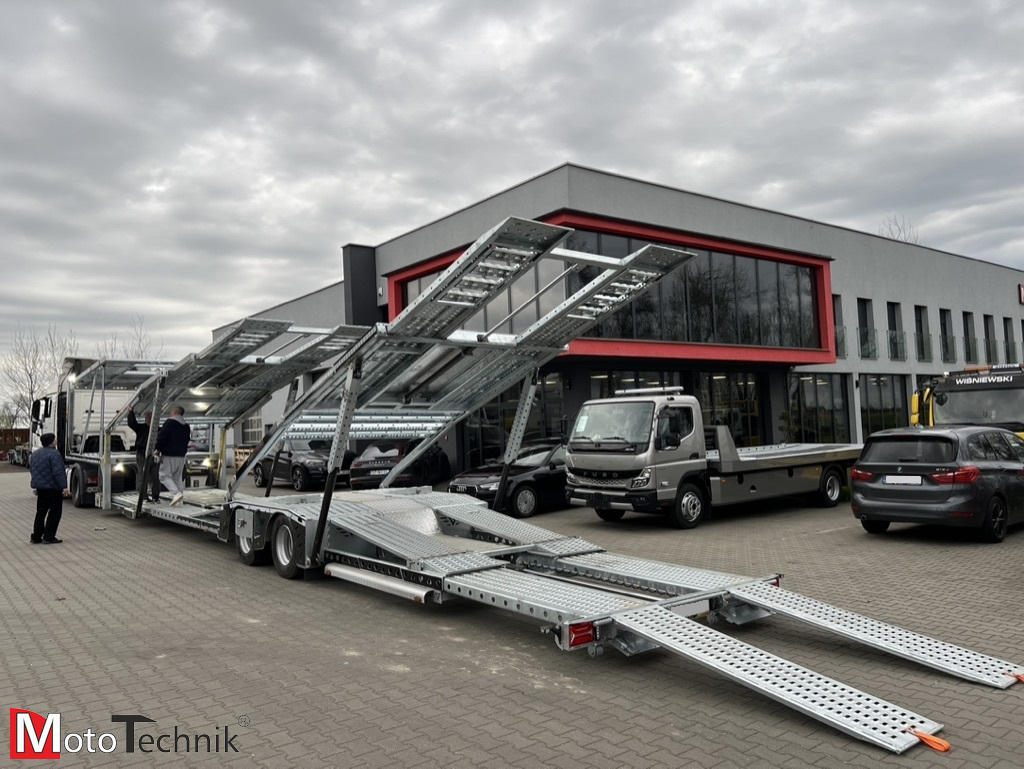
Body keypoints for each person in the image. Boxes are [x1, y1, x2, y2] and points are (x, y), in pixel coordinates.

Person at [29, 432, 70, 544]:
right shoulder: (54, 454)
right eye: (55, 439)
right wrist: (64, 487)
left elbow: (32, 469)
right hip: (53, 488)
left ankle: (36, 537)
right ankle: (49, 536)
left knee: (40, 513)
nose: (56, 440)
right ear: (52, 442)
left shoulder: (35, 454)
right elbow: (58, 472)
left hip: (41, 488)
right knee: (55, 512)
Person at [155, 405, 191, 506]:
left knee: (163, 476)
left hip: (169, 455)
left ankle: (176, 494)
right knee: (177, 478)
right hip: (181, 456)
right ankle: (179, 501)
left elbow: (161, 438)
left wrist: (158, 449)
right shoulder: (186, 426)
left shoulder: (169, 423)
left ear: (174, 412)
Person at [127, 405, 161, 502]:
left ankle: (156, 496)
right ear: (146, 419)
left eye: (153, 418)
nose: (151, 420)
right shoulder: (141, 428)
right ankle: (144, 496)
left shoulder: (158, 430)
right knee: (142, 476)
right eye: (149, 418)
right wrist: (131, 413)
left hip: (155, 456)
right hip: (142, 455)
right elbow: (132, 423)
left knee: (156, 477)